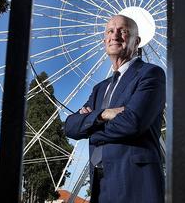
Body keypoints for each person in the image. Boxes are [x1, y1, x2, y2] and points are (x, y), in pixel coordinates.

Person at [65, 14, 165, 202]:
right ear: (104, 40)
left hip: (136, 182)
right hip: (100, 184)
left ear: (137, 41)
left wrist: (91, 129)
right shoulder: (100, 88)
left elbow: (132, 123)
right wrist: (104, 114)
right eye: (110, 31)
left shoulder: (151, 74)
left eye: (123, 31)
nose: (115, 35)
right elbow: (70, 126)